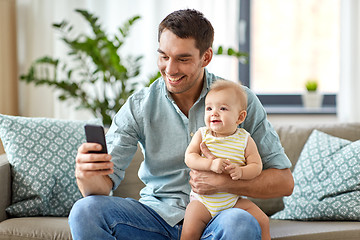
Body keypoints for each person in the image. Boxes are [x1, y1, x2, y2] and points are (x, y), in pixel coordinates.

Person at [69, 9, 294, 240]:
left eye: (183, 59)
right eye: (164, 56)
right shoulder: (140, 105)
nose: (170, 69)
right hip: (154, 218)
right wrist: (87, 176)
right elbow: (101, 188)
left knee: (240, 222)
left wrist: (224, 183)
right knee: (85, 211)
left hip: (219, 217)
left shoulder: (239, 101)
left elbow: (284, 182)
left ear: (205, 57)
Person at [181, 79, 270, 240]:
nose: (214, 113)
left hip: (233, 201)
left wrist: (241, 171)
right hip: (203, 202)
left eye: (222, 108)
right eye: (209, 108)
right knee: (189, 232)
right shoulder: (203, 134)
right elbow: (190, 157)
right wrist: (210, 164)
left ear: (240, 117)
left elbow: (256, 166)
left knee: (263, 220)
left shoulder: (245, 139)